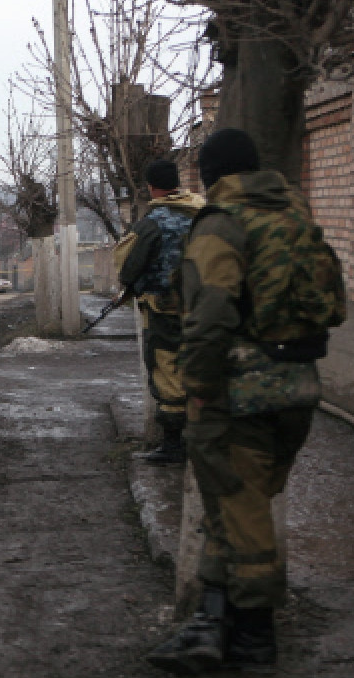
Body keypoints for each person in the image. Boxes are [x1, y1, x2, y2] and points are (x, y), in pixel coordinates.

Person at [146, 128, 345, 674]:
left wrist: (198, 388)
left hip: (239, 394)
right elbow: (336, 304)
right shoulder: (295, 216)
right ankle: (211, 625)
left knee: (244, 513)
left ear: (211, 176)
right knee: (232, 508)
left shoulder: (222, 224)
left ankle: (254, 643)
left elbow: (209, 317)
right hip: (298, 386)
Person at [116, 159, 204, 465]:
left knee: (168, 371)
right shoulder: (205, 214)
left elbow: (126, 268)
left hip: (165, 311)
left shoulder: (152, 222)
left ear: (152, 188)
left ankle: (173, 445)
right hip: (209, 309)